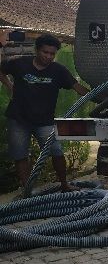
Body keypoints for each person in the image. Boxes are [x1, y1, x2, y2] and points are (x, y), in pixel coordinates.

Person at [0, 34, 89, 192]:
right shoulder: (20, 63)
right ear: (37, 50)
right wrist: (9, 85)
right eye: (45, 52)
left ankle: (64, 184)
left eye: (52, 54)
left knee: (56, 152)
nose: (48, 56)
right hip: (18, 119)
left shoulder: (58, 71)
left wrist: (99, 95)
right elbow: (1, 70)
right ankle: (28, 190)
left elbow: (77, 87)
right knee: (20, 155)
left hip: (44, 121)